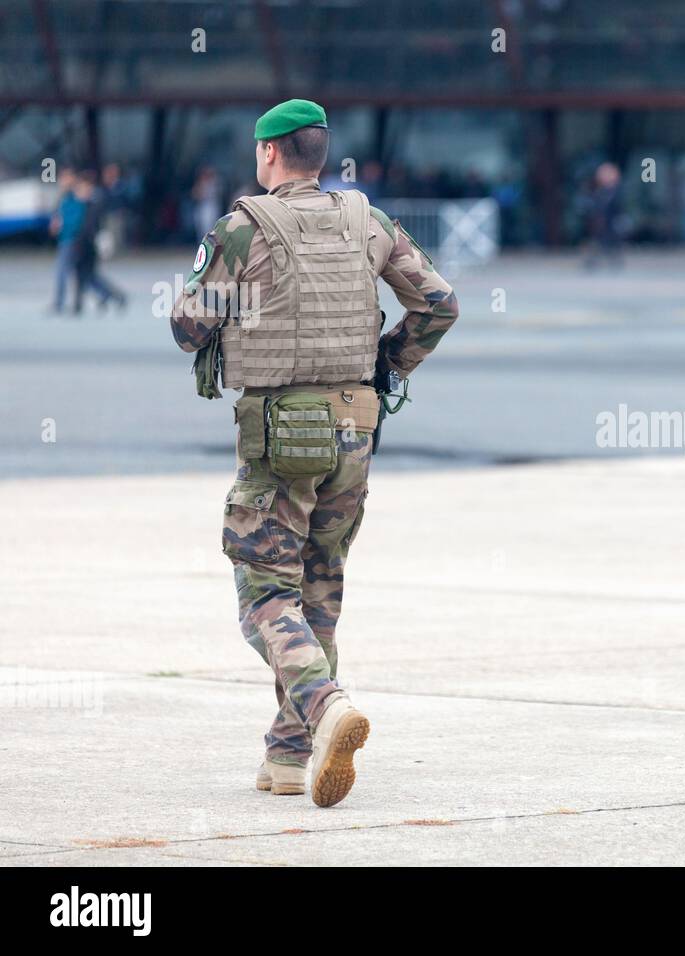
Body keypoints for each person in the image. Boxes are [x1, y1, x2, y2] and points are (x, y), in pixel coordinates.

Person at [169, 99, 459, 807]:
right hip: (355, 432)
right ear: (320, 156)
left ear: (269, 153)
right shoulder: (370, 222)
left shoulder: (245, 227)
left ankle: (327, 705)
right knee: (319, 589)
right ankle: (290, 754)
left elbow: (187, 326)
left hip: (281, 438)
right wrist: (390, 364)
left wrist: (247, 308)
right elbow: (440, 303)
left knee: (266, 594)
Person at [70, 171, 127, 315]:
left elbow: (90, 226)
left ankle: (112, 296)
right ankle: (105, 297)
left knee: (87, 276)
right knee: (85, 276)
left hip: (88, 245)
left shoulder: (94, 202)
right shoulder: (87, 202)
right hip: (83, 243)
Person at [49, 168, 85, 314]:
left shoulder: (76, 195)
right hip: (65, 238)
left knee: (62, 271)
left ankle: (59, 303)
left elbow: (77, 218)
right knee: (80, 273)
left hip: (72, 238)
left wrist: (62, 226)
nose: (61, 182)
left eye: (64, 178)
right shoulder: (64, 197)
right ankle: (105, 296)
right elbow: (59, 214)